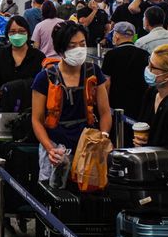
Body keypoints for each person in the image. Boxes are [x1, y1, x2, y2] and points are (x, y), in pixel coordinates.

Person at [31, 22, 112, 181]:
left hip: (88, 145)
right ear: (61, 50)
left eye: (82, 44)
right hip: (56, 146)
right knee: (56, 192)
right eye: (72, 45)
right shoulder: (45, 78)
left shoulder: (94, 72)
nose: (79, 49)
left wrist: (103, 138)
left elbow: (104, 111)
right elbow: (37, 119)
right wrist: (49, 148)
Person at [100, 21, 149, 121]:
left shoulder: (111, 55)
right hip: (139, 103)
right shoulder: (144, 54)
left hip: (117, 103)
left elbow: (107, 83)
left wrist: (105, 107)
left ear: (117, 36)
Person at [0, 16, 45, 93]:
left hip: (31, 102)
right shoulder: (0, 53)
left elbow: (41, 82)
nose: (17, 35)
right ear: (7, 34)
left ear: (28, 33)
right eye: (12, 32)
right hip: (4, 100)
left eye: (21, 31)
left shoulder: (39, 57)